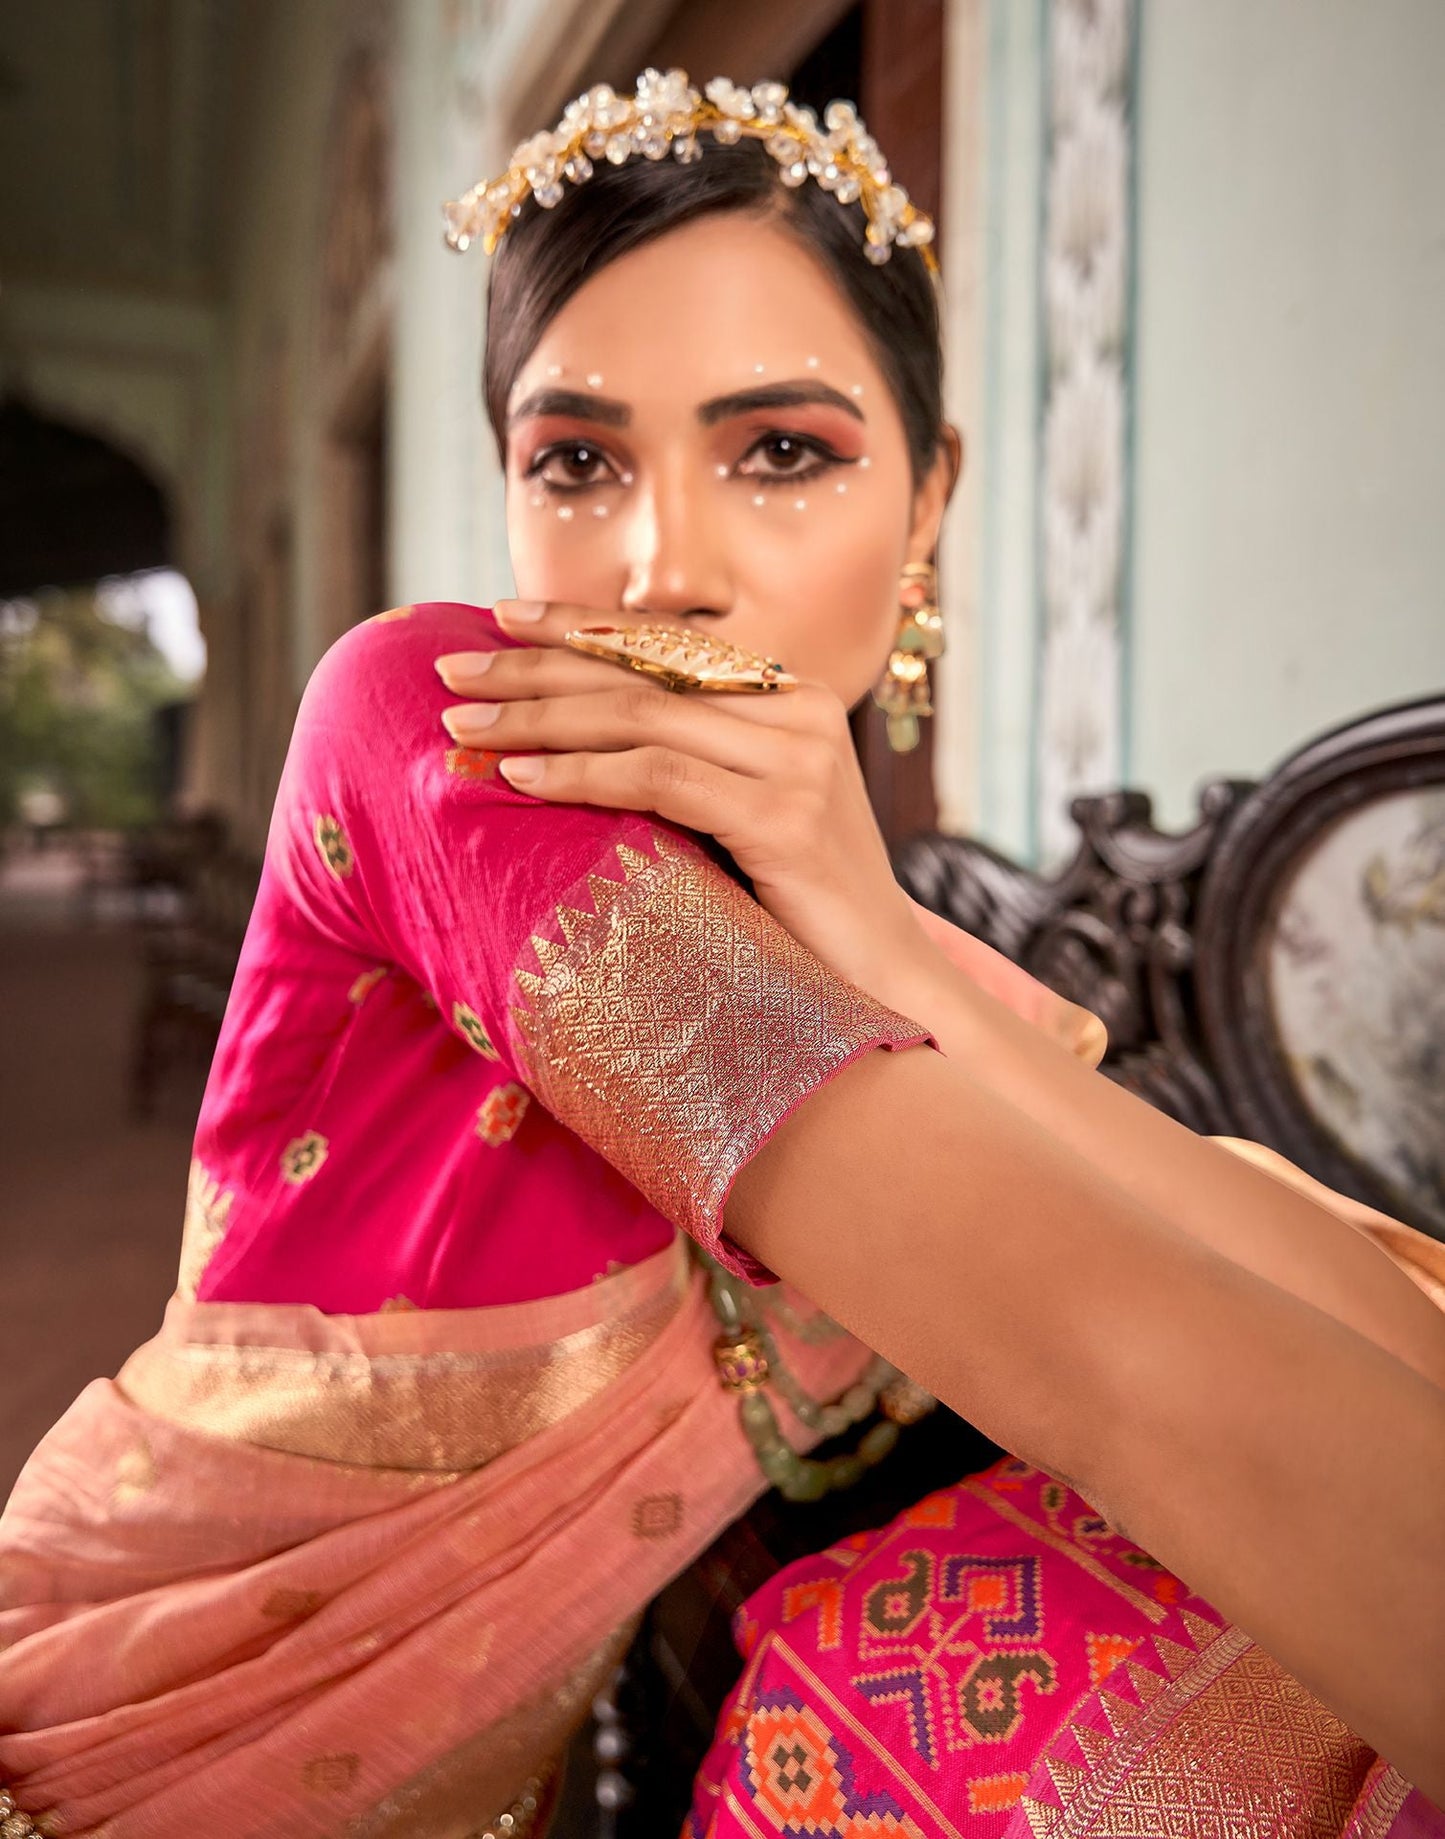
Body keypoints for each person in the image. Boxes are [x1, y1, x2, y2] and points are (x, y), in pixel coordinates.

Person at [0, 69, 1440, 1839]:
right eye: (578, 461)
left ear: (925, 507)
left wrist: (882, 937)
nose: (661, 567)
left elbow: (1390, 1323)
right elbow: (1121, 1370)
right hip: (117, 1767)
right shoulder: (435, 728)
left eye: (780, 453)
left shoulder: (895, 949)